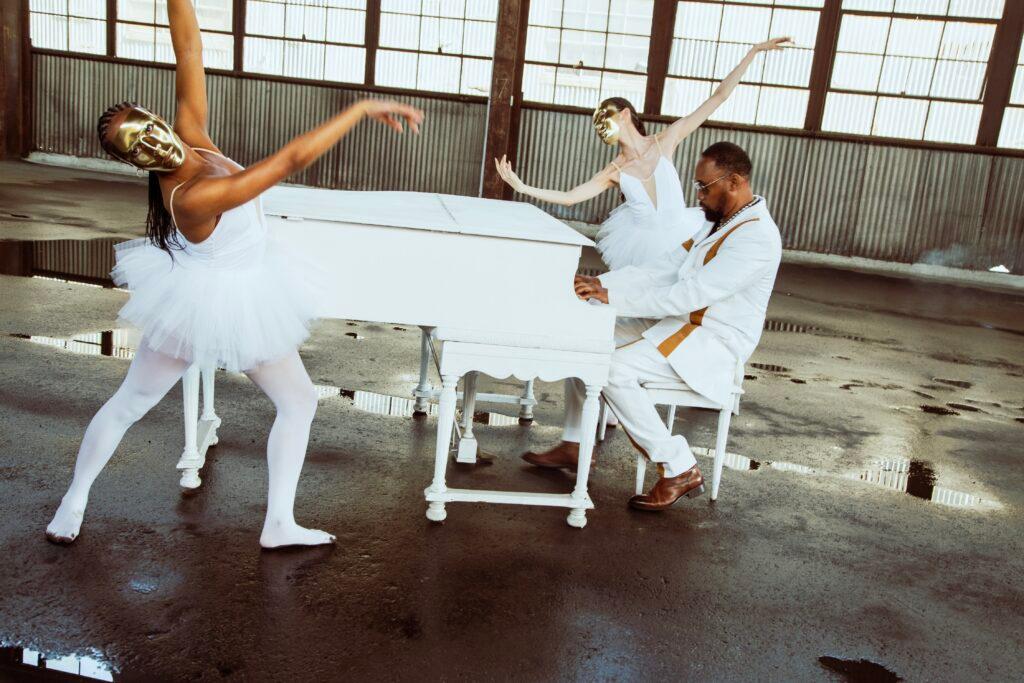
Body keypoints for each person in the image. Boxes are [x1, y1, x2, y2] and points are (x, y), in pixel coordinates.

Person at [45, 0, 423, 548]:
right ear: (137, 163)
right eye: (141, 145)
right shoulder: (196, 196)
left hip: (236, 284)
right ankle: (73, 498)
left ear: (156, 117)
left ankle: (279, 523)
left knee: (298, 402)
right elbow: (291, 160)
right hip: (217, 301)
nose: (155, 138)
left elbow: (190, 49)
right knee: (133, 401)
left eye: (148, 125)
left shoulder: (191, 134)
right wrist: (360, 108)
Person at [524, 142, 782, 511]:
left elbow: (687, 295)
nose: (700, 195)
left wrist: (613, 298)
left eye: (705, 187)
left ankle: (678, 466)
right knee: (588, 338)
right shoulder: (722, 223)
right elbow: (664, 267)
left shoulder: (756, 237)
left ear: (736, 181)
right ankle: (576, 443)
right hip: (683, 324)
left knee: (609, 368)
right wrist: (603, 286)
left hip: (712, 339)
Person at [493, 37, 789, 272]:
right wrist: (522, 187)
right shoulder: (615, 170)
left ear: (624, 115)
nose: (601, 128)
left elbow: (718, 96)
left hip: (683, 231)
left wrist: (753, 52)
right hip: (643, 247)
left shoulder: (665, 140)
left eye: (605, 120)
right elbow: (571, 197)